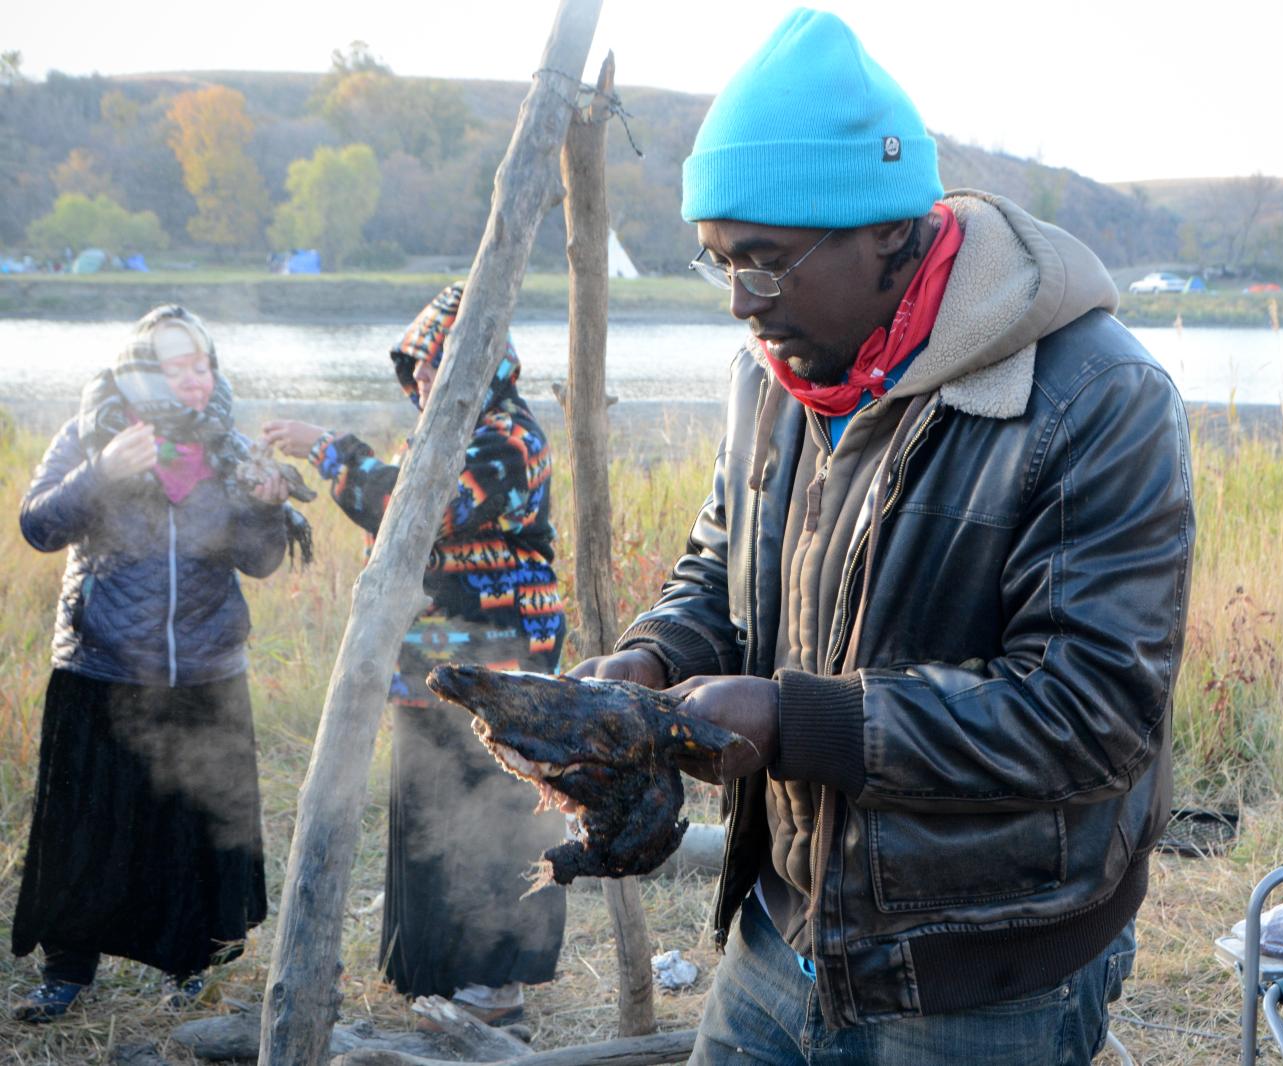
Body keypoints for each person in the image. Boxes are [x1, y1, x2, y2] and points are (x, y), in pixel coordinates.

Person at [569, 10, 1195, 1065]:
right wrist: (651, 660)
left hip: (985, 971)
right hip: (781, 929)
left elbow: (1093, 715)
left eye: (763, 263)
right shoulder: (771, 379)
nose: (736, 303)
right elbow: (721, 571)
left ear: (891, 234)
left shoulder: (1096, 397)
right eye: (715, 261)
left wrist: (799, 722)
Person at [263, 283, 566, 1027]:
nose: (425, 378)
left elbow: (417, 508)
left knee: (492, 817)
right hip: (426, 663)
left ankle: (496, 986)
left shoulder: (508, 438)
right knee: (432, 813)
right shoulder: (442, 432)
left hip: (497, 666)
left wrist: (330, 449)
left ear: (489, 365)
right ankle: (439, 975)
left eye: (441, 362)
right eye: (418, 365)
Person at [12, 305, 302, 1022]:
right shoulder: (92, 433)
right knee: (89, 829)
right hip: (103, 666)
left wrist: (267, 508)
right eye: (177, 367)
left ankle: (192, 969)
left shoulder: (230, 446)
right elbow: (38, 525)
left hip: (205, 669)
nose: (196, 380)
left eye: (202, 364)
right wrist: (102, 473)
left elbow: (260, 561)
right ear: (142, 372)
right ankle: (68, 972)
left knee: (194, 831)